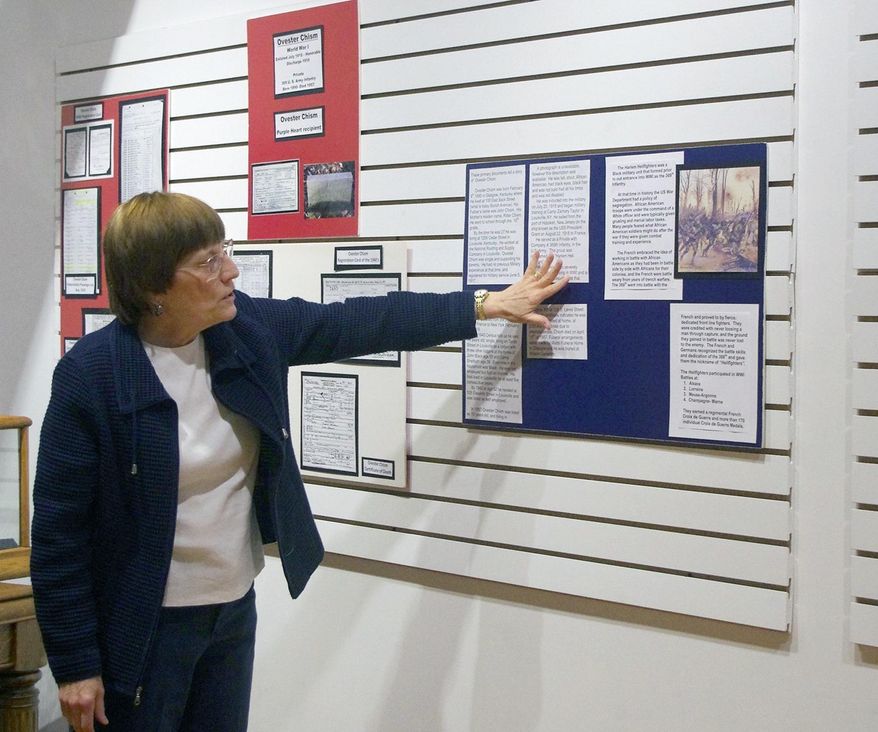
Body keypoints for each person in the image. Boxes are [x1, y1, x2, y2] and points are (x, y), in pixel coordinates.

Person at [31, 191, 568, 732]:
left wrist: (483, 304)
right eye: (209, 261)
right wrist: (75, 664)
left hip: (231, 611)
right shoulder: (93, 376)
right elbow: (59, 535)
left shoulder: (244, 332)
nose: (230, 271)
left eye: (225, 251)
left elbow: (359, 321)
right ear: (154, 287)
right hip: (142, 625)